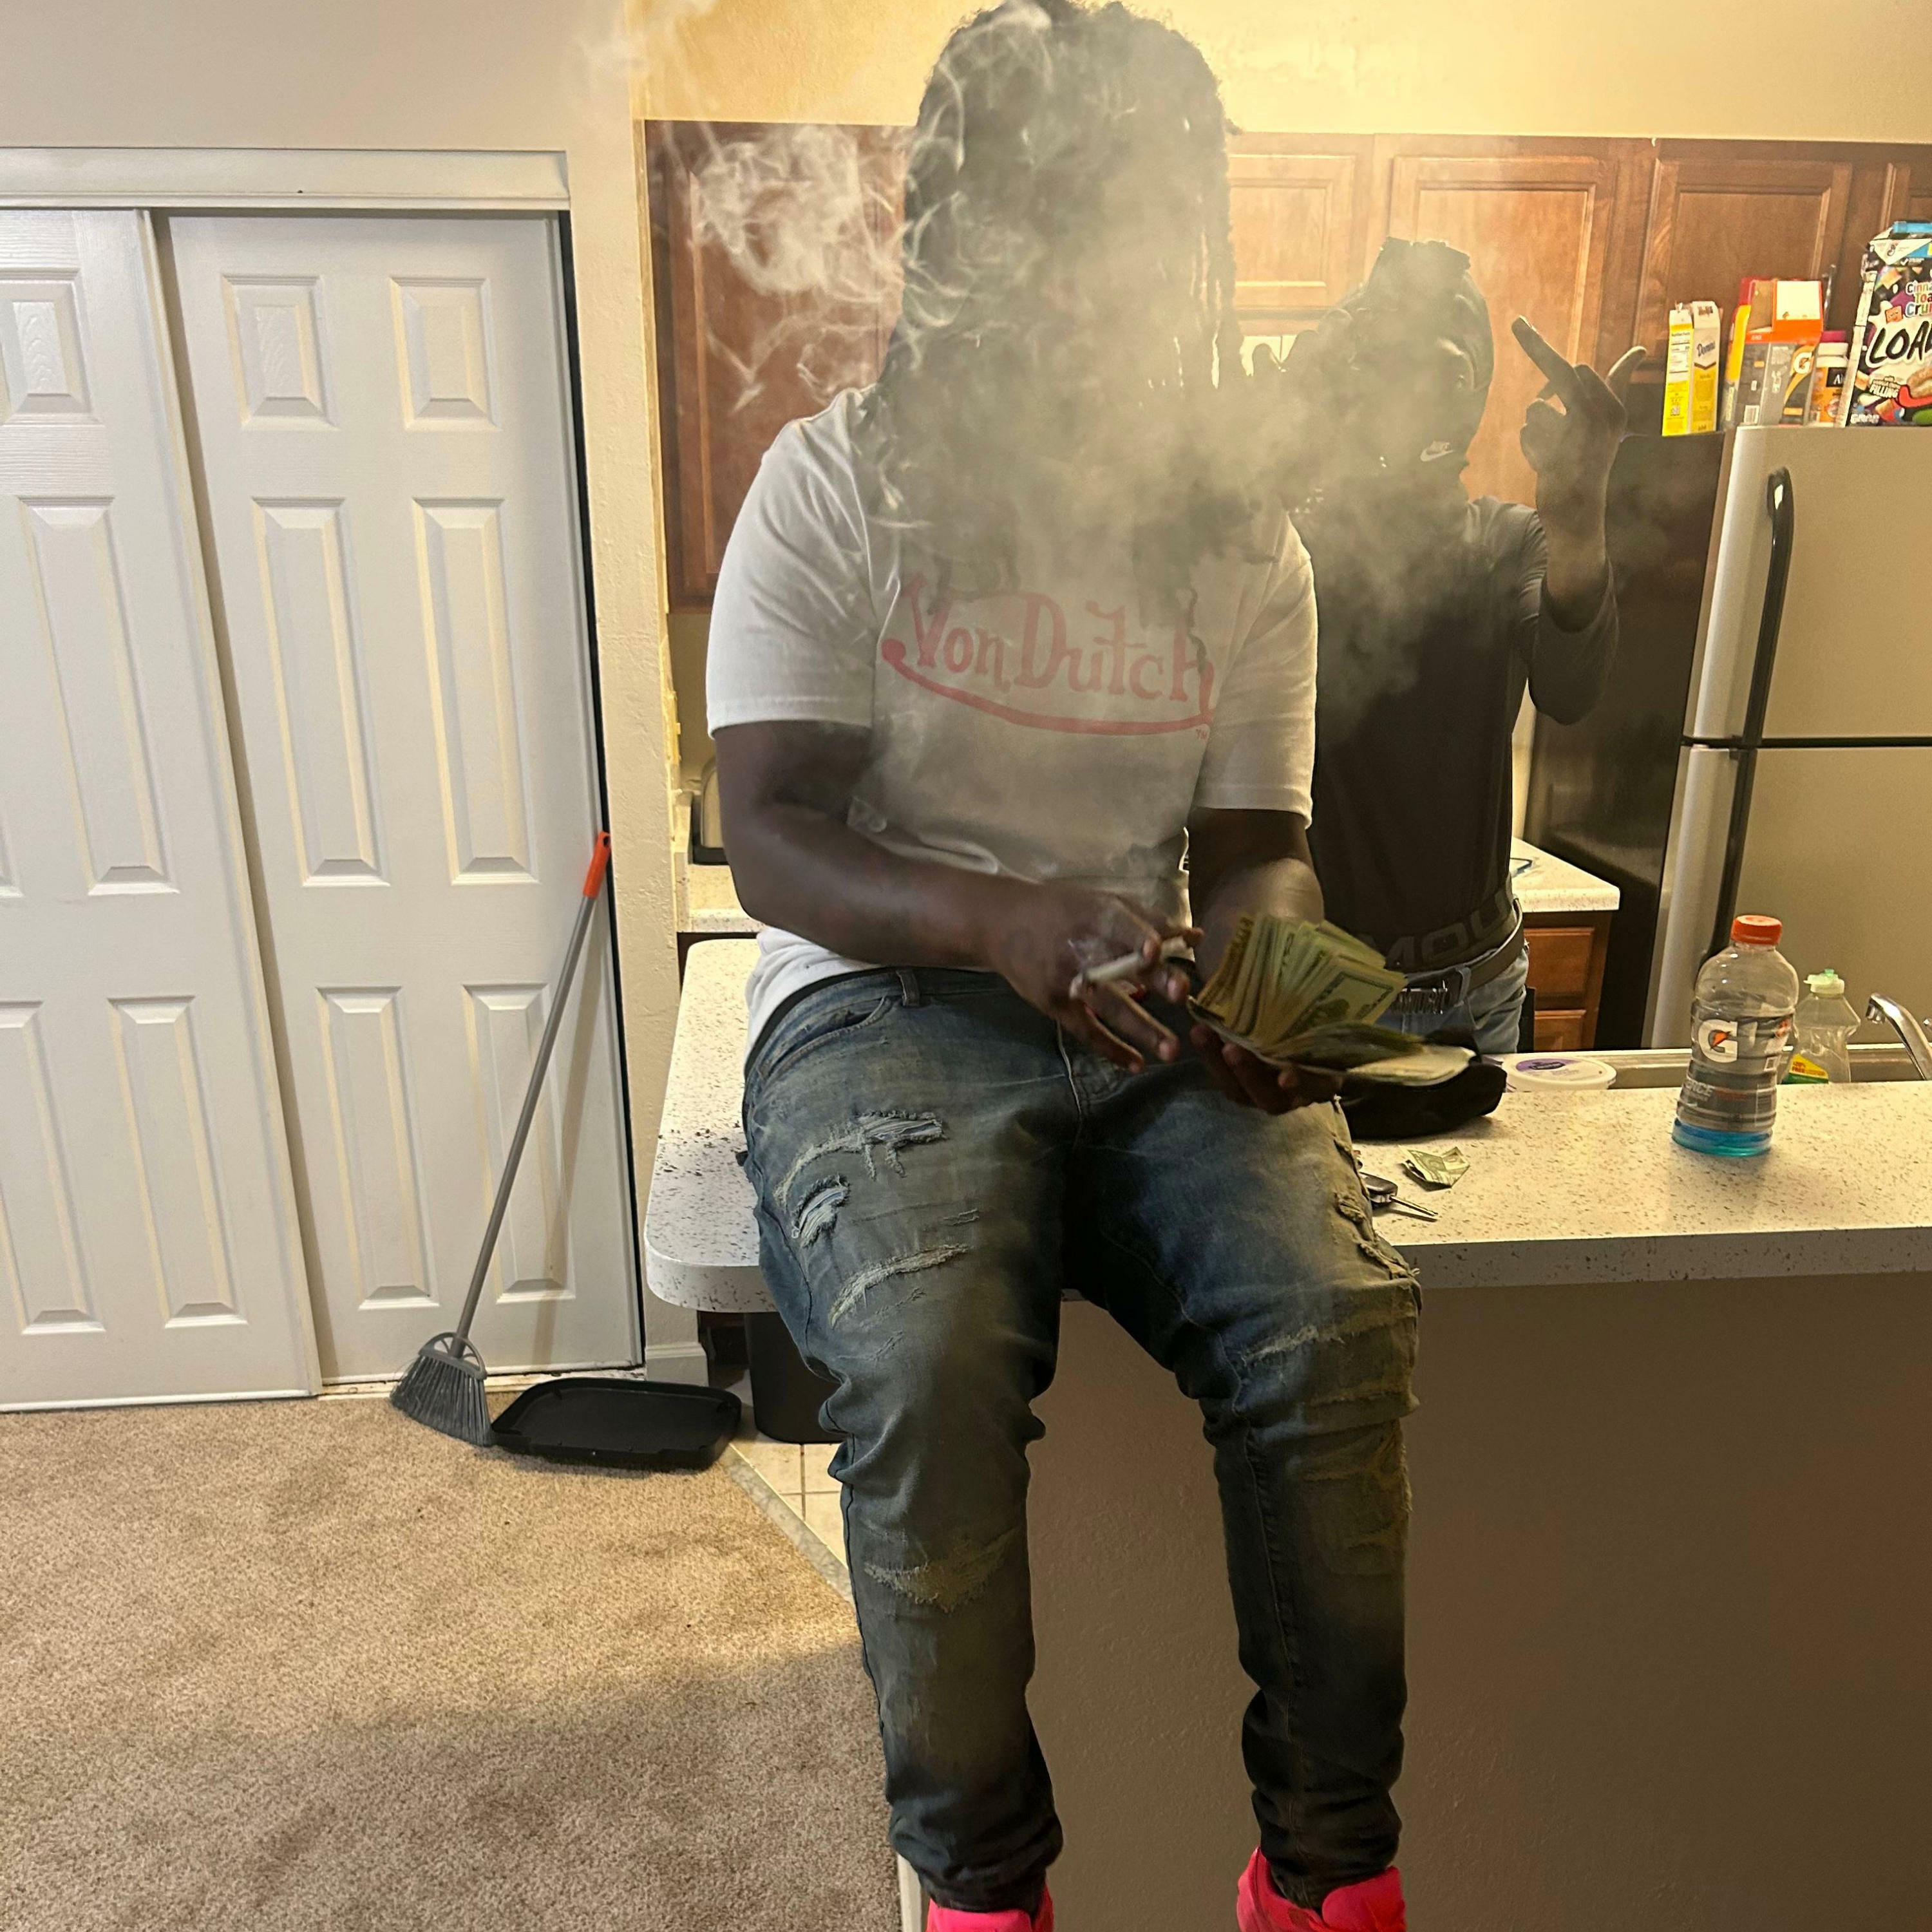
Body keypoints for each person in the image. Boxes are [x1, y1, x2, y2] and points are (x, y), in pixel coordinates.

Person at [707, 6, 1412, 1929]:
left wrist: (1266, 976)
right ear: (960, 243)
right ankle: (980, 1890)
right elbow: (767, 829)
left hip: (1136, 987)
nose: (1104, 295)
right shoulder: (836, 488)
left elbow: (1253, 844)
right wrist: (997, 919)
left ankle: (1323, 1881)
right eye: (1062, 234)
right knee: (923, 1357)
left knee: (1328, 1326)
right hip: (881, 997)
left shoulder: (1239, 541)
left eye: (1147, 240)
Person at [1262, 240, 1641, 1057]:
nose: (1409, 398)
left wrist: (1581, 519)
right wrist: (1281, 440)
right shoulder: (1285, 545)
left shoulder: (1509, 542)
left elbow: (1571, 689)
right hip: (1317, 986)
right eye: (1387, 368)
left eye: (1438, 371)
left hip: (1478, 992)